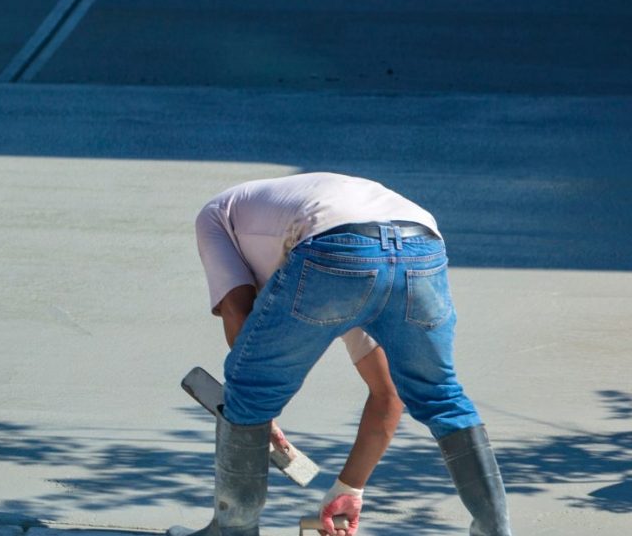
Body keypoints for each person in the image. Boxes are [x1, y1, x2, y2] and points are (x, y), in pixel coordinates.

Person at [173, 173, 510, 536]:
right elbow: (388, 393)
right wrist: (350, 488)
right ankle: (495, 531)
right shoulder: (335, 279)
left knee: (249, 389)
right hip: (419, 245)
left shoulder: (216, 215)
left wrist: (255, 410)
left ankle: (231, 532)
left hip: (333, 247)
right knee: (440, 395)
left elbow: (238, 310)